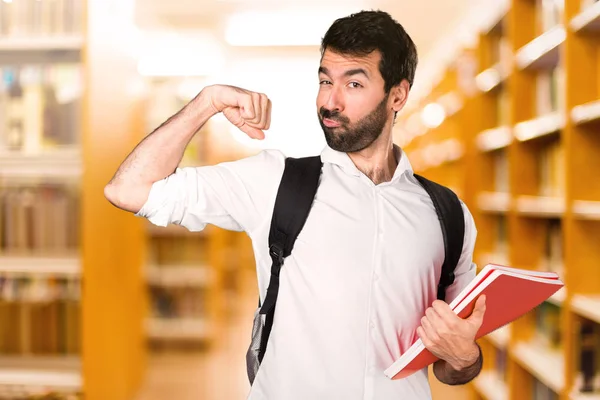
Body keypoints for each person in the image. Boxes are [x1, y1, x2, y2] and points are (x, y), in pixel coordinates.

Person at [104, 9, 485, 400]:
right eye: (324, 81)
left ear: (397, 95)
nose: (330, 102)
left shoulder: (446, 213)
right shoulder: (275, 183)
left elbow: (452, 365)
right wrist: (207, 102)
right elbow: (128, 189)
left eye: (353, 83)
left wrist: (465, 356)